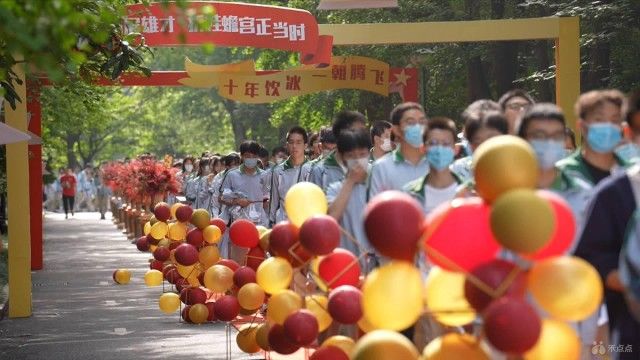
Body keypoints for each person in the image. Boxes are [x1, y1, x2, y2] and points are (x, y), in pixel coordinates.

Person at [572, 91, 640, 359]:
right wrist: (629, 280)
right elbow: (592, 257)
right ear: (630, 133)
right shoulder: (614, 193)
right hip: (629, 332)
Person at [555, 89, 630, 233]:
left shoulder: (633, 175)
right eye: (599, 120)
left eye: (615, 120)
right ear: (582, 126)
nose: (608, 127)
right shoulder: (560, 175)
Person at [326, 129, 372, 267]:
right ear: (342, 158)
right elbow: (331, 217)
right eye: (351, 156)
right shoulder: (335, 189)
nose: (357, 160)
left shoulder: (380, 182)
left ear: (369, 153)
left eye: (362, 154)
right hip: (348, 266)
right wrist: (350, 181)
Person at [368, 102, 430, 199]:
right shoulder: (381, 168)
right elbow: (375, 208)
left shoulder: (436, 163)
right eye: (410, 122)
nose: (418, 127)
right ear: (396, 130)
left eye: (422, 122)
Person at [221, 141, 269, 262]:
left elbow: (268, 196)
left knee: (257, 257)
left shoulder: (265, 176)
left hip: (259, 223)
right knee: (238, 259)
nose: (251, 159)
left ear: (258, 156)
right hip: (239, 224)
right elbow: (221, 197)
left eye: (254, 156)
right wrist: (236, 201)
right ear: (241, 156)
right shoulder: (232, 175)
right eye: (248, 156)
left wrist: (266, 202)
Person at [406, 117, 463, 214]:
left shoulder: (469, 193)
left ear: (455, 149)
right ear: (423, 148)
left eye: (446, 144)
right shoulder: (409, 195)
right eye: (433, 143)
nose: (439, 149)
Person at [309, 111, 367, 192]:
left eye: (363, 133)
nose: (361, 137)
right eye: (355, 132)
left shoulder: (369, 168)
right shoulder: (320, 171)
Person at [450, 102, 508, 182]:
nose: (485, 146)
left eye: (491, 139)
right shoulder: (457, 169)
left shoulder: (520, 166)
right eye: (477, 142)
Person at [269, 126, 312, 225]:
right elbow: (274, 202)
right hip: (283, 224)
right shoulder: (278, 171)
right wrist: (271, 223)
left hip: (306, 224)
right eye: (291, 142)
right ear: (287, 145)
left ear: (305, 145)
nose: (294, 146)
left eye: (298, 142)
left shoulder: (313, 169)